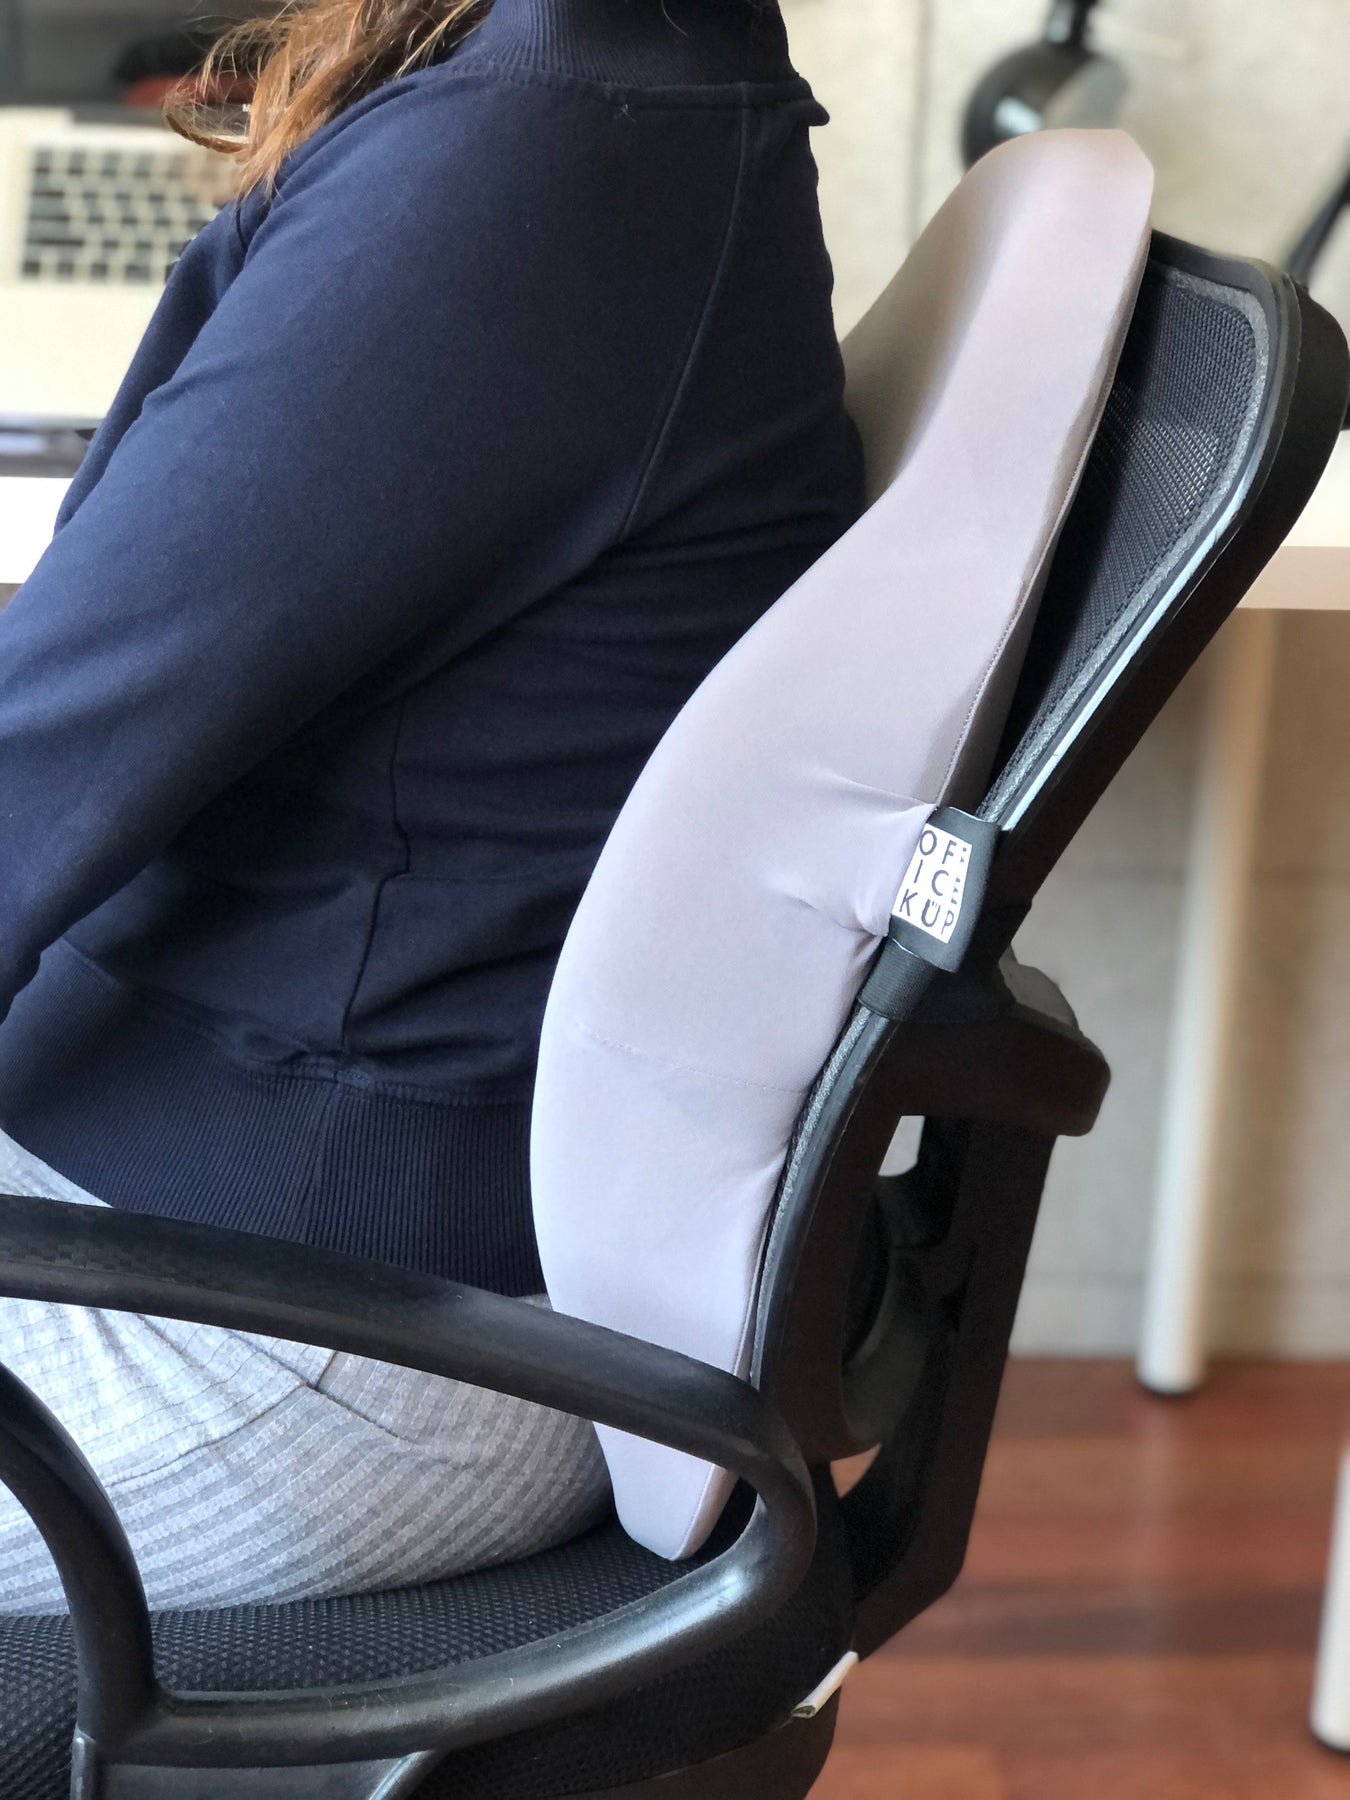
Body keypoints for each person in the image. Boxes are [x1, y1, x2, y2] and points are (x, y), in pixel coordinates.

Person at [0, 0, 861, 1610]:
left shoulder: (540, 149)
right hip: (185, 1188)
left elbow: (58, 734)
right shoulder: (564, 90)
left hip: (315, 1338)